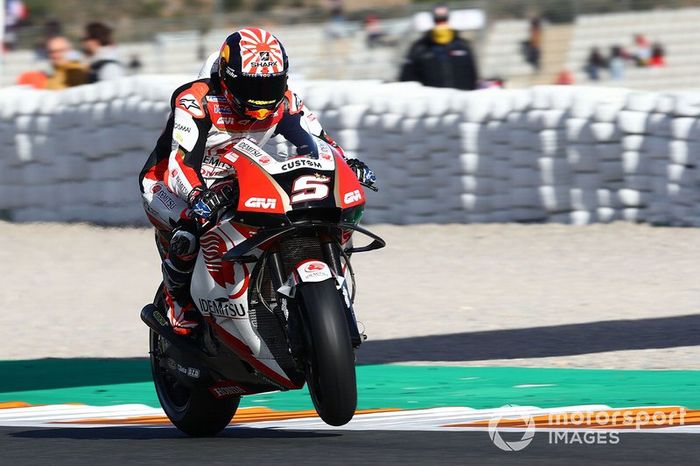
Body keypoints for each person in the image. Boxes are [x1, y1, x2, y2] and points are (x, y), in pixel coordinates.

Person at [139, 28, 376, 336]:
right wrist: (198, 195)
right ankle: (176, 305)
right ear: (228, 77)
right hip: (170, 182)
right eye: (252, 86)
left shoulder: (287, 101)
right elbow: (181, 163)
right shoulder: (196, 100)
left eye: (272, 85)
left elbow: (320, 142)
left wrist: (348, 165)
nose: (263, 99)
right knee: (191, 227)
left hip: (235, 175)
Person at [399, 4, 478, 90]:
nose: (441, 25)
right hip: (431, 99)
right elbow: (407, 77)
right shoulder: (420, 47)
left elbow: (472, 75)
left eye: (444, 21)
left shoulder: (462, 46)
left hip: (459, 97)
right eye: (438, 22)